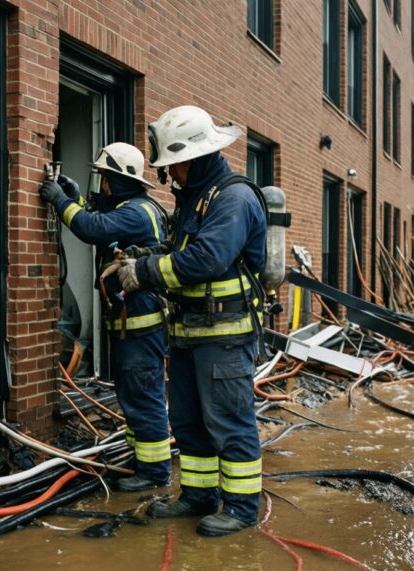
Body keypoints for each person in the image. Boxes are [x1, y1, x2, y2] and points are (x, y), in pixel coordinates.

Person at [116, 105, 267, 536]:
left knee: (229, 422)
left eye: (176, 166)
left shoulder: (233, 198)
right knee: (188, 422)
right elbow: (176, 252)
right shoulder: (196, 200)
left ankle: (240, 508)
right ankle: (198, 495)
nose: (172, 176)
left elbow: (205, 259)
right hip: (186, 335)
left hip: (223, 337)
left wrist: (143, 273)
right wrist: (143, 257)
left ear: (196, 158)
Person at [39, 142, 171, 492]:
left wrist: (60, 200)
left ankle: (154, 472)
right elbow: (100, 221)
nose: (104, 186)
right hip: (135, 326)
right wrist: (78, 199)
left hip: (140, 326)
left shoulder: (136, 211)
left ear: (121, 180)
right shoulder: (140, 208)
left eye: (106, 179)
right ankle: (141, 458)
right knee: (135, 394)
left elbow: (92, 229)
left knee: (143, 395)